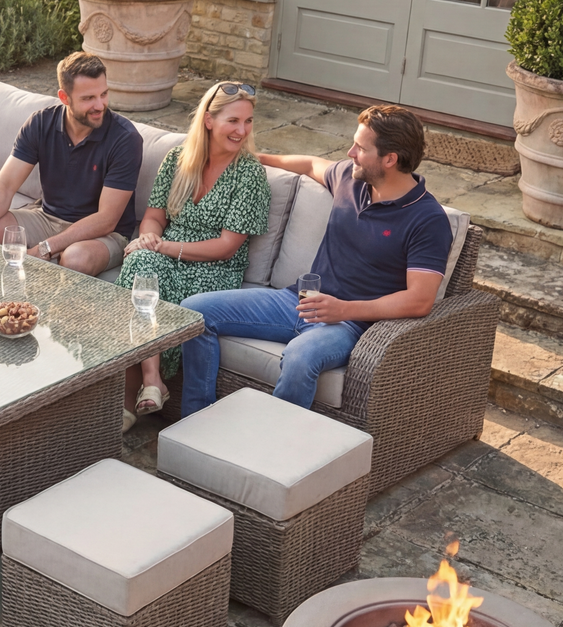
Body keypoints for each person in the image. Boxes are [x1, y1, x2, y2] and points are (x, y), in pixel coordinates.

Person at [179, 104, 453, 415]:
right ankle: (196, 418)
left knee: (300, 357)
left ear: (390, 159)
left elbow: (419, 300)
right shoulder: (352, 180)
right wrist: (255, 160)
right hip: (298, 300)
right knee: (195, 312)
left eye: (360, 148)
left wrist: (344, 310)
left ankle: (274, 455)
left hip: (348, 323)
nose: (350, 153)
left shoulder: (427, 219)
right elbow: (311, 164)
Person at [119, 82, 270, 431]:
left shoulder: (250, 174)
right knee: (141, 267)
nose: (241, 130)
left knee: (143, 275)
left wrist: (163, 247)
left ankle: (130, 398)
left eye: (247, 122)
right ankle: (152, 380)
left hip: (214, 270)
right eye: (233, 121)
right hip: (166, 257)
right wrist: (149, 237)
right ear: (208, 120)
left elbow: (227, 245)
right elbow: (155, 215)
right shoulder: (178, 159)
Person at [0, 52, 143, 277]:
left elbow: (106, 219)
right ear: (64, 97)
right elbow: (6, 185)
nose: (100, 105)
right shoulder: (40, 123)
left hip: (103, 234)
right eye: (88, 98)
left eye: (103, 94)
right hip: (47, 218)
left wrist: (45, 248)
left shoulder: (125, 139)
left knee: (75, 259)